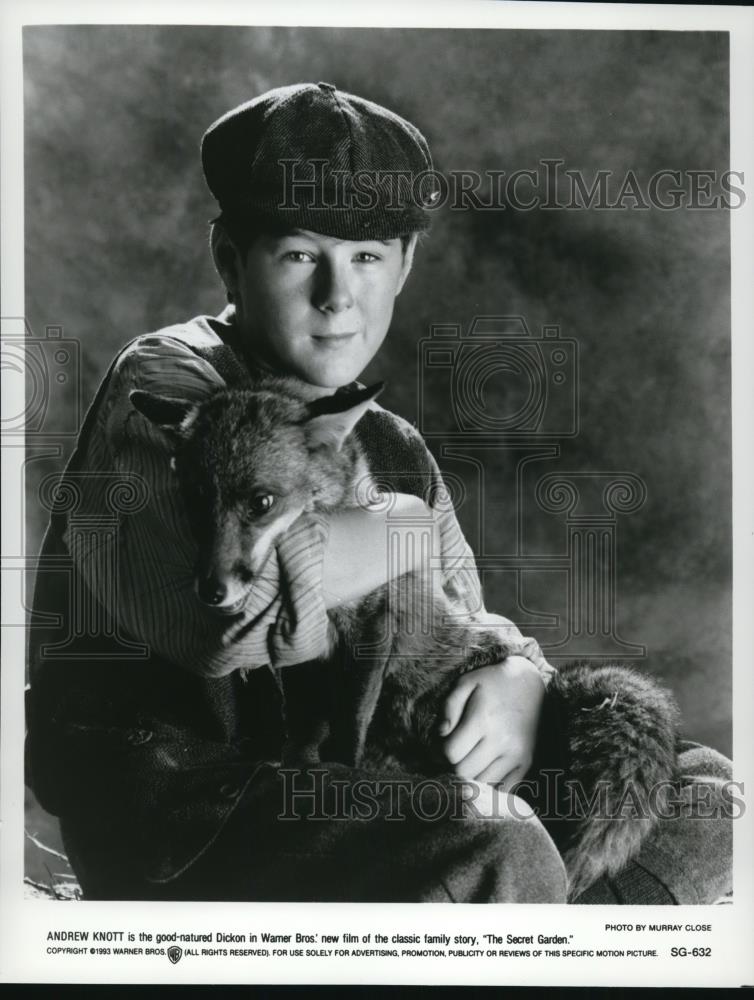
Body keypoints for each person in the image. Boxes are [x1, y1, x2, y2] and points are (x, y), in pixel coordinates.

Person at [25, 82, 732, 904]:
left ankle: (518, 913)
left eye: (365, 257)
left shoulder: (388, 440)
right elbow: (229, 631)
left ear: (405, 264)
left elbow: (457, 611)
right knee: (490, 837)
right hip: (192, 807)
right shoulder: (173, 390)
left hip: (372, 776)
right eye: (299, 254)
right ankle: (515, 903)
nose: (337, 297)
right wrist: (398, 526)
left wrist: (517, 679)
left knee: (706, 797)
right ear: (230, 259)